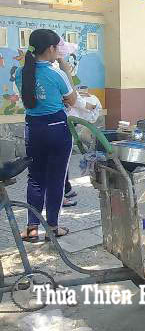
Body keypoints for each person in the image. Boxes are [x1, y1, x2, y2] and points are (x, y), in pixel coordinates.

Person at [15, 29, 78, 242]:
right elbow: (72, 100)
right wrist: (66, 69)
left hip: (33, 129)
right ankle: (52, 228)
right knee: (56, 180)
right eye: (57, 48)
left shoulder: (20, 73)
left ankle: (32, 229)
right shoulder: (56, 73)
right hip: (57, 129)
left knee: (35, 179)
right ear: (51, 49)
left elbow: (31, 98)